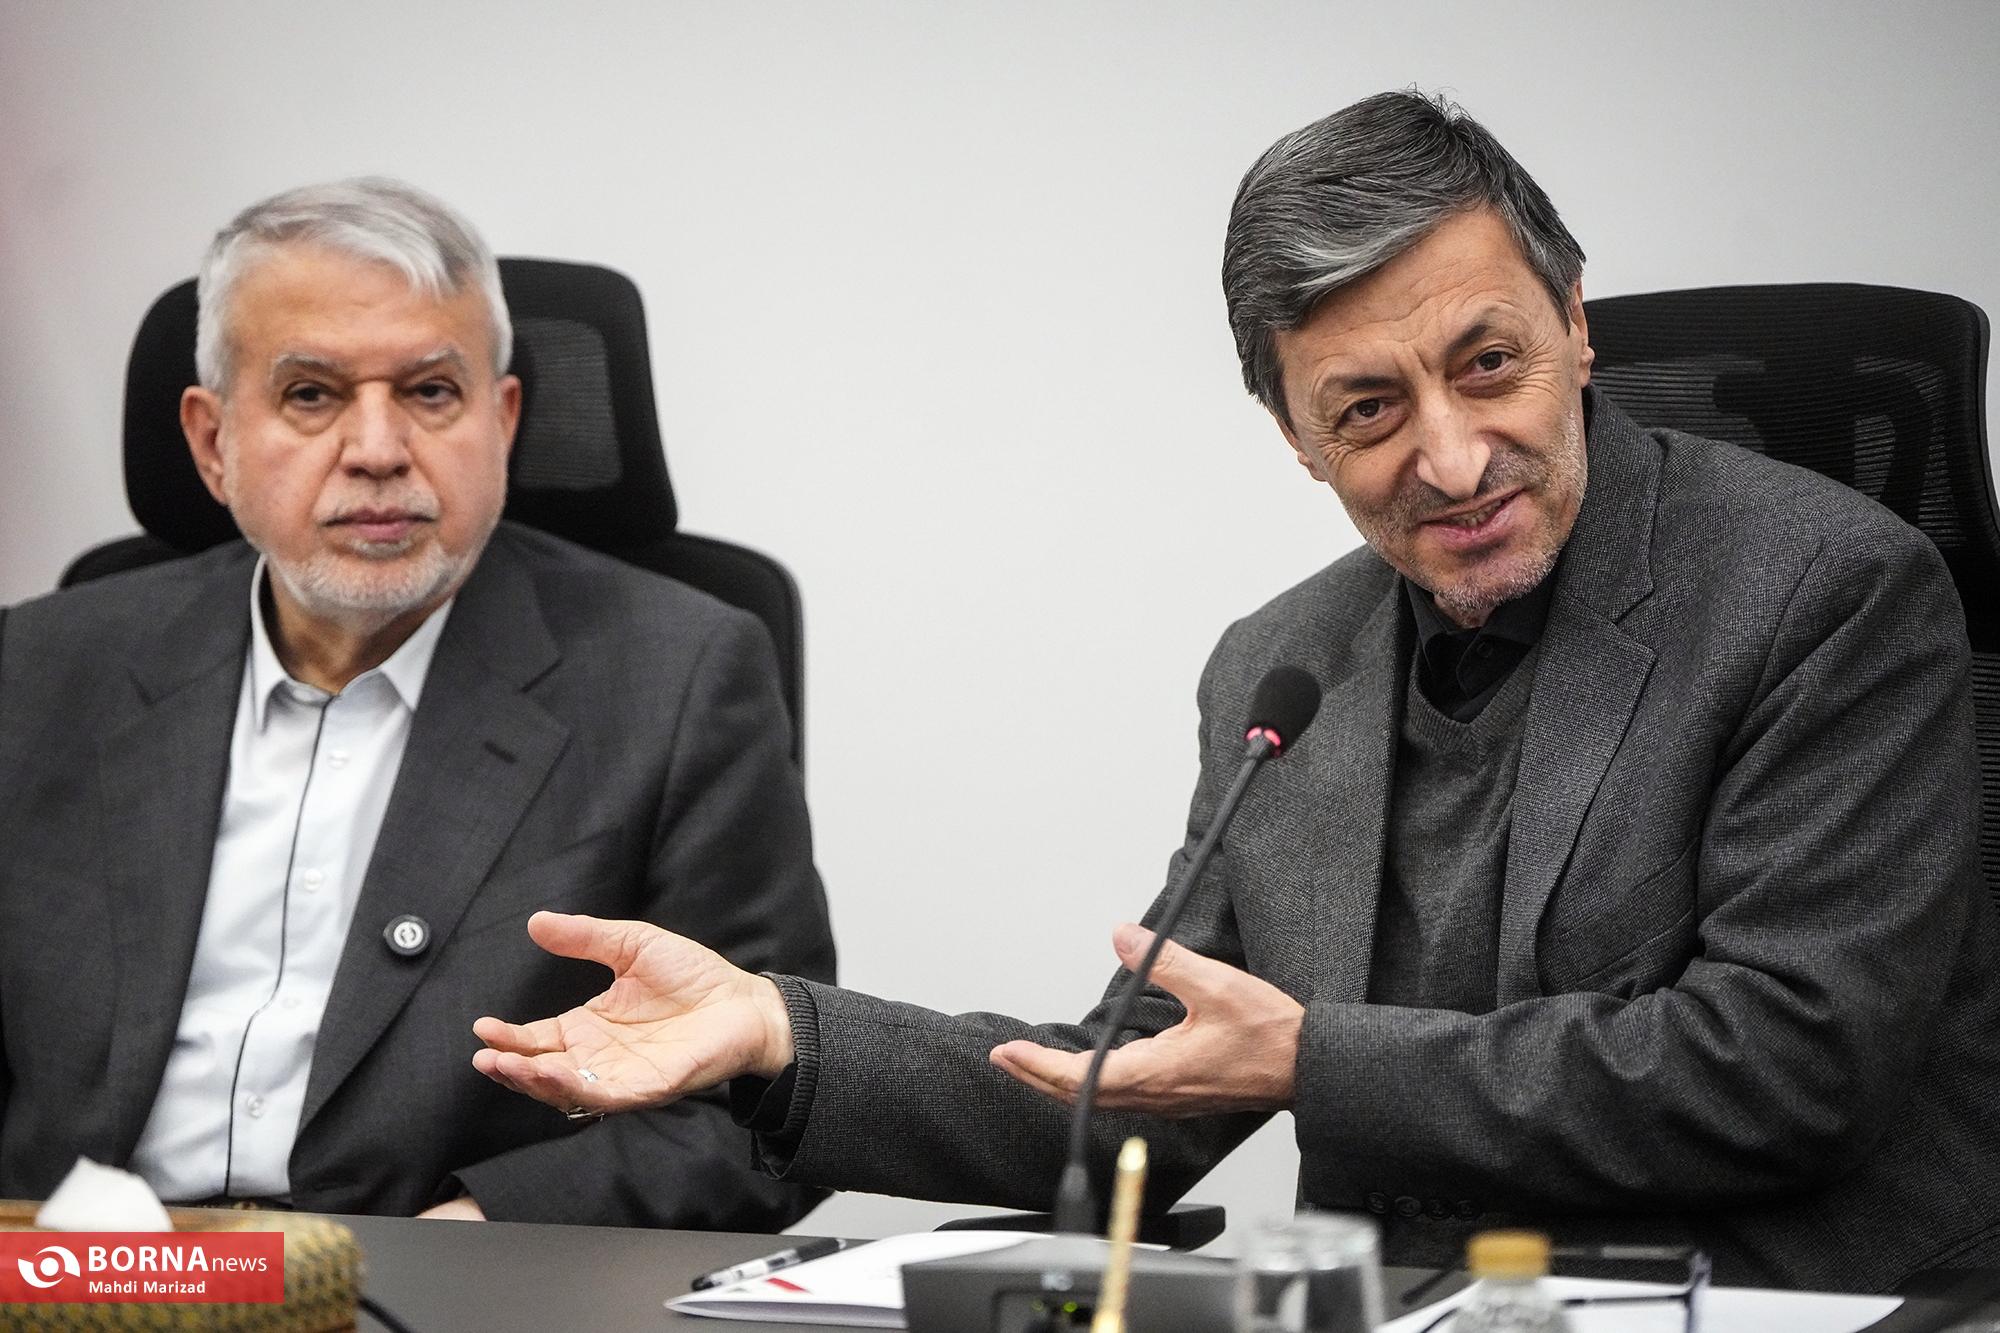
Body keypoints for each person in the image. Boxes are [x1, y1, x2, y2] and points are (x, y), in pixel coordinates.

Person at [470, 93, 2000, 1291]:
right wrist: (777, 1031)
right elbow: (1132, 1080)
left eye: (1489, 364)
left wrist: (1308, 1058)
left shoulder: (1828, 592)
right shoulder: (1288, 669)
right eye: (1369, 408)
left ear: (1577, 323)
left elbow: (1789, 1065)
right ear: (1295, 437)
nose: (1453, 457)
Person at [0, 178, 836, 1230]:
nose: (378, 449)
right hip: (73, 1273)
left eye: (431, 391)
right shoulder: (37, 668)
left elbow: (774, 1101)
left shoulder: (677, 675)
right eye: (311, 395)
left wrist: (475, 1239)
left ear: (503, 419)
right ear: (213, 443)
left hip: (441, 1278)